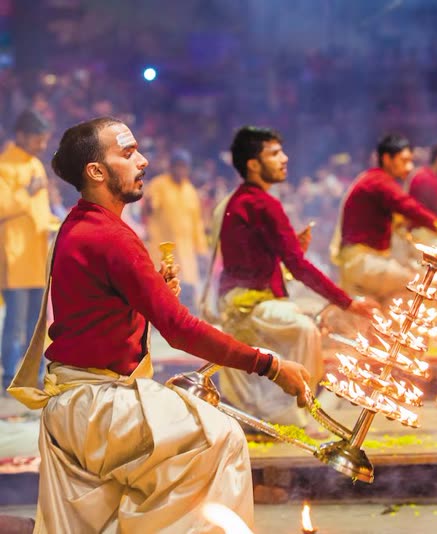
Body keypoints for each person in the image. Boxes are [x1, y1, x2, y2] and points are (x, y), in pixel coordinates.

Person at [6, 117, 310, 532]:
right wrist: (269, 365)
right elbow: (180, 329)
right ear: (95, 171)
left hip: (77, 405)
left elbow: (99, 314)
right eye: (128, 153)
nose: (144, 161)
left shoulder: (82, 225)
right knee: (220, 437)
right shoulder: (110, 236)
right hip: (97, 407)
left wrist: (154, 296)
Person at [214, 126, 376, 430]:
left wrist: (288, 253)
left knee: (308, 321)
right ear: (253, 164)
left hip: (248, 298)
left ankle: (289, 405)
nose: (284, 159)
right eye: (274, 153)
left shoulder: (244, 200)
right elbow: (298, 268)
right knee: (304, 329)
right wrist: (349, 303)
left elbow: (263, 261)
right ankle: (294, 408)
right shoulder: (261, 203)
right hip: (248, 305)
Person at [331, 134, 437, 302]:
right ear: (387, 159)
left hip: (365, 262)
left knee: (401, 295)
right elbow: (409, 207)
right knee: (418, 285)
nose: (409, 167)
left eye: (410, 161)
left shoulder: (375, 179)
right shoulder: (380, 182)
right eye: (404, 160)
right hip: (363, 263)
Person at [0, 109, 55, 391]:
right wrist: (28, 192)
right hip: (15, 256)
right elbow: (2, 208)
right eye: (38, 139)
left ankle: (31, 374)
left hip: (36, 255)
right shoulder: (4, 166)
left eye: (44, 140)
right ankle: (9, 375)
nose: (42, 145)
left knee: (36, 326)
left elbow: (40, 211)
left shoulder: (35, 164)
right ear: (21, 135)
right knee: (16, 322)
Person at [144, 148, 209, 312]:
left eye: (184, 166)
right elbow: (150, 209)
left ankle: (186, 325)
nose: (181, 170)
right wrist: (149, 205)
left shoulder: (190, 191)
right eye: (178, 166)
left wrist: (201, 249)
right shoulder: (159, 185)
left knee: (187, 291)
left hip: (186, 253)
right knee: (161, 289)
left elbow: (197, 223)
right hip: (163, 250)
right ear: (171, 167)